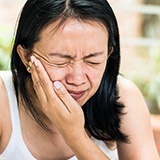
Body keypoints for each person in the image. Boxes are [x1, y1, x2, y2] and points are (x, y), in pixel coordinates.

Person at [0, 0, 159, 160]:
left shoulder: (124, 98)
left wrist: (75, 136)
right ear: (26, 57)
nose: (77, 79)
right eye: (60, 60)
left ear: (108, 54)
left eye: (93, 61)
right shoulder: (3, 99)